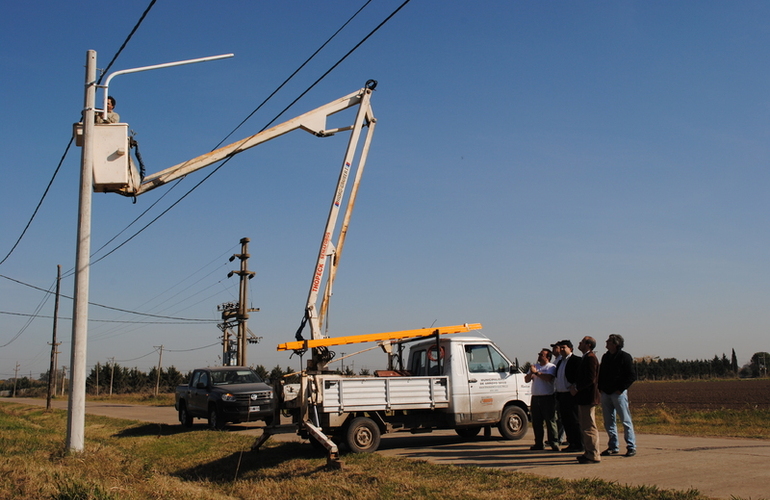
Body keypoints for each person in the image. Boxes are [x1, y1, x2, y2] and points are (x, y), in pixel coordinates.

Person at [598, 334, 637, 457]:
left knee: (625, 420)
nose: (606, 342)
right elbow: (602, 373)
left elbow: (631, 375)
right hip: (606, 393)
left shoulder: (625, 357)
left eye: (609, 341)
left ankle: (631, 446)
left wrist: (620, 389)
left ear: (615, 344)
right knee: (609, 421)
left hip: (618, 394)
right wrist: (601, 388)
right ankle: (613, 446)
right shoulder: (605, 357)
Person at [571, 336, 601, 463]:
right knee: (584, 426)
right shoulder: (586, 358)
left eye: (582, 342)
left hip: (588, 397)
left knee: (589, 426)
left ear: (588, 345)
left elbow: (590, 378)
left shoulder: (591, 358)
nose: (579, 343)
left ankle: (594, 454)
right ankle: (588, 452)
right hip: (583, 398)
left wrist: (577, 387)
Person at [524, 348, 559, 451]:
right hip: (536, 397)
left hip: (547, 397)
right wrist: (531, 372)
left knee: (550, 421)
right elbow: (526, 380)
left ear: (548, 357)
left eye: (542, 355)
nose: (539, 356)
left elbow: (549, 378)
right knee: (537, 422)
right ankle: (539, 443)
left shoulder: (551, 367)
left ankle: (554, 442)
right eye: (539, 354)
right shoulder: (535, 366)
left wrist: (537, 373)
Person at [554, 340, 583, 452]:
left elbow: (580, 376)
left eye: (563, 347)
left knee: (574, 420)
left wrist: (575, 388)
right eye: (560, 348)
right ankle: (571, 442)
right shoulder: (560, 362)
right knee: (565, 420)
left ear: (570, 348)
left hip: (571, 395)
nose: (561, 350)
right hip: (561, 395)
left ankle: (579, 443)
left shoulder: (576, 360)